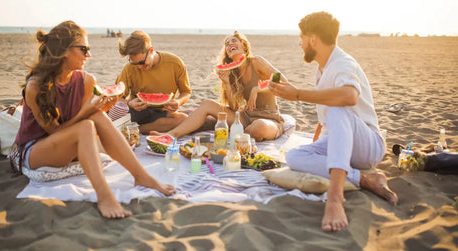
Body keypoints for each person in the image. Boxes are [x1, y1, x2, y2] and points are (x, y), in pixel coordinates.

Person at [13, 21, 175, 219]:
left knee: (95, 117)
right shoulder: (35, 86)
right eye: (84, 49)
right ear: (64, 51)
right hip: (35, 151)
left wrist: (103, 110)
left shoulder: (86, 81)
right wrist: (86, 113)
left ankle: (141, 176)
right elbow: (56, 131)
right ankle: (104, 196)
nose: (89, 55)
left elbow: (84, 124)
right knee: (87, 123)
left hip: (67, 145)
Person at [268, 12, 398, 232]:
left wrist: (297, 94)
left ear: (312, 39)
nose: (300, 43)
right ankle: (367, 180)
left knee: (338, 110)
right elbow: (325, 119)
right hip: (344, 145)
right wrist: (315, 145)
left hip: (368, 146)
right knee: (295, 156)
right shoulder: (323, 68)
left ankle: (335, 200)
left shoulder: (343, 63)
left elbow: (349, 97)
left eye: (302, 37)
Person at [152, 31, 285, 141]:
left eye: (234, 41)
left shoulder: (257, 62)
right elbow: (234, 107)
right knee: (207, 104)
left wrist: (257, 89)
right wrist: (226, 82)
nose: (229, 44)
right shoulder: (232, 72)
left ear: (244, 46)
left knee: (258, 127)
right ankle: (171, 136)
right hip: (245, 118)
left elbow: (282, 80)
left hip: (269, 118)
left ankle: (243, 135)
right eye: (227, 44)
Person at [116, 30, 191, 134]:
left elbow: (186, 92)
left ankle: (136, 130)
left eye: (142, 62)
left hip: (161, 112)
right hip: (137, 112)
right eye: (135, 63)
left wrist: (178, 102)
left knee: (184, 119)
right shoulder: (129, 69)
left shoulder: (175, 63)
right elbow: (117, 98)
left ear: (151, 50)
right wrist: (129, 103)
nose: (139, 67)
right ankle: (132, 128)